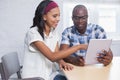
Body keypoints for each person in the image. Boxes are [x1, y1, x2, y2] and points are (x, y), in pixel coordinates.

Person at [21, 1, 87, 80]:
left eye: (59, 16)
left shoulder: (53, 32)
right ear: (44, 16)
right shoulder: (33, 33)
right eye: (54, 16)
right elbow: (52, 57)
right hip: (35, 78)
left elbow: (56, 54)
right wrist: (78, 47)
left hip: (49, 75)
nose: (58, 19)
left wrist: (62, 62)